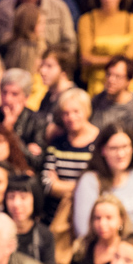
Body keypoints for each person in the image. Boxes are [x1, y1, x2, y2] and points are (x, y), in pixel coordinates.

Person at [73, 125, 133, 240]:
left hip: (132, 246)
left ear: (132, 148)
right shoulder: (90, 180)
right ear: (103, 150)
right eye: (114, 148)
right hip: (99, 246)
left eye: (125, 146)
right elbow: (83, 230)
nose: (121, 154)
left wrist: (131, 247)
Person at [77, 0, 133, 97]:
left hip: (124, 83)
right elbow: (86, 58)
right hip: (96, 83)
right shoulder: (87, 20)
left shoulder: (132, 20)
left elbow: (130, 57)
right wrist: (116, 58)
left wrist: (99, 59)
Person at [41, 87, 99, 223]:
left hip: (90, 218)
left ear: (87, 111)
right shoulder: (57, 143)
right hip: (56, 218)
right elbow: (46, 183)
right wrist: (81, 186)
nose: (71, 117)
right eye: (66, 113)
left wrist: (59, 184)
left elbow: (100, 184)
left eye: (76, 111)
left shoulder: (100, 142)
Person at [5, 174, 56, 264]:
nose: (16, 204)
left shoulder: (44, 235)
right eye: (11, 197)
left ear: (35, 199)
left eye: (23, 197)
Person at [90, 54, 133, 132]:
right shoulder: (99, 98)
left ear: (128, 81)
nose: (111, 80)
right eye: (108, 74)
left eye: (117, 76)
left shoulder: (132, 109)